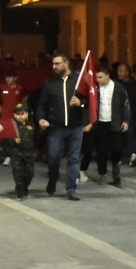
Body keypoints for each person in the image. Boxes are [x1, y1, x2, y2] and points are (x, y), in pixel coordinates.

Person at [36, 53, 93, 200]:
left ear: (66, 64)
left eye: (57, 63)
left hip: (75, 127)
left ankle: (71, 188)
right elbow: (42, 104)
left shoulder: (79, 80)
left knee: (73, 159)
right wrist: (41, 119)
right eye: (53, 64)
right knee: (53, 157)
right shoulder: (50, 83)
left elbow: (90, 100)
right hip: (56, 128)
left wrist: (80, 103)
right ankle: (53, 177)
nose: (54, 66)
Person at [84, 63, 132, 186]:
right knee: (101, 150)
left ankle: (116, 172)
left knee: (116, 149)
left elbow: (125, 105)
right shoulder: (94, 89)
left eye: (100, 77)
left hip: (115, 123)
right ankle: (102, 173)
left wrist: (126, 120)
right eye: (96, 78)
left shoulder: (119, 88)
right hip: (100, 124)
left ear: (107, 76)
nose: (98, 80)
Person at [7, 101, 38, 200]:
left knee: (30, 173)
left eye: (22, 114)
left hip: (29, 153)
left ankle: (24, 187)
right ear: (14, 115)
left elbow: (36, 137)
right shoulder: (12, 126)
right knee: (18, 174)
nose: (20, 116)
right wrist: (14, 140)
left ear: (27, 114)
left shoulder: (31, 125)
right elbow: (6, 140)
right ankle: (20, 192)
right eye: (17, 114)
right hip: (17, 154)